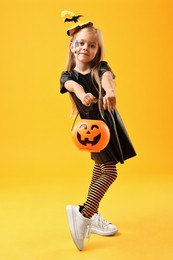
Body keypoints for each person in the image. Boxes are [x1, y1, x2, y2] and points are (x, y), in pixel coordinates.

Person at [60, 16, 136, 251]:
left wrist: (110, 91)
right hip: (93, 130)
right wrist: (83, 95)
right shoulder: (68, 76)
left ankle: (90, 213)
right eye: (81, 43)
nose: (85, 48)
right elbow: (75, 87)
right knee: (110, 172)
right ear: (72, 46)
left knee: (100, 169)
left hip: (111, 126)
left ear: (98, 50)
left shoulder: (101, 68)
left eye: (91, 45)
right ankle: (84, 213)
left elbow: (107, 79)